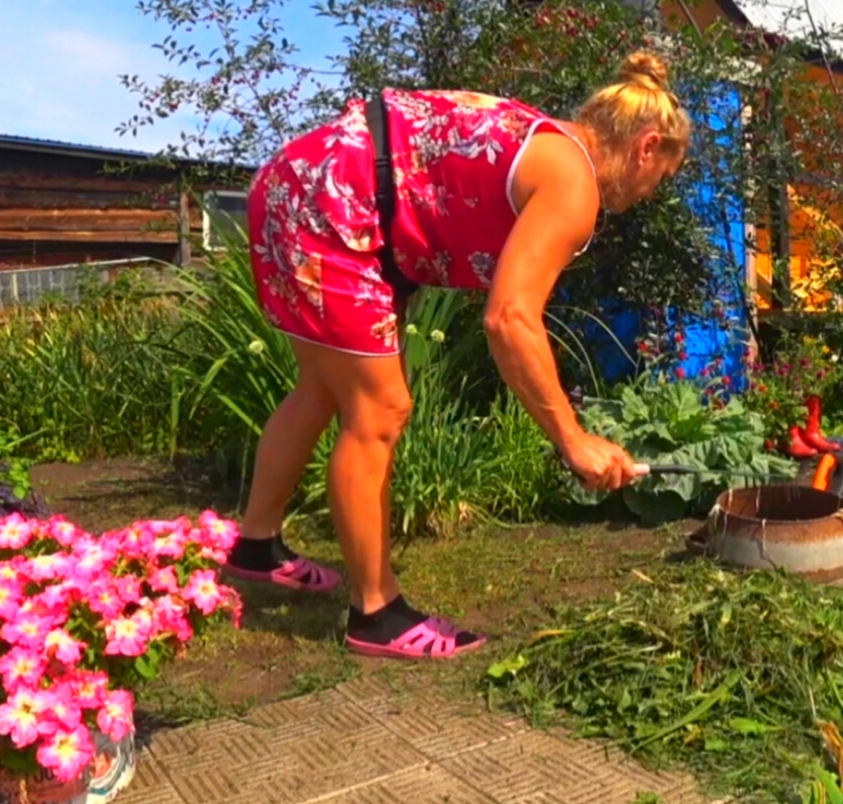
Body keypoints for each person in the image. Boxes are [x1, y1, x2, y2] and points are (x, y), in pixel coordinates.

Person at [225, 51, 693, 659]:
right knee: (380, 410)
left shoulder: (549, 145)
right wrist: (572, 439)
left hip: (299, 183)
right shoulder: (572, 183)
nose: (652, 191)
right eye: (663, 177)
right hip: (332, 206)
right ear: (646, 148)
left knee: (320, 388)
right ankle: (375, 612)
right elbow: (510, 318)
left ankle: (256, 546)